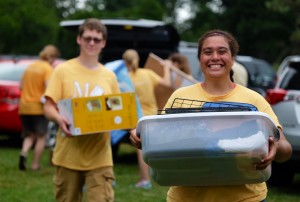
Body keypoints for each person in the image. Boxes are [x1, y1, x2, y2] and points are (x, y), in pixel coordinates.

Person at [130, 29, 293, 201]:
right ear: (200, 59)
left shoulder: (254, 99)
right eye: (208, 52)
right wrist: (142, 136)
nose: (215, 57)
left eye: (222, 51)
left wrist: (276, 148)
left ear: (232, 58)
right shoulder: (179, 97)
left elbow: (285, 149)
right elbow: (162, 140)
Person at [43, 18, 120, 202]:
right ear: (79, 39)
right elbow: (48, 106)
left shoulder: (109, 76)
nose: (91, 43)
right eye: (87, 38)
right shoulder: (62, 70)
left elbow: (116, 108)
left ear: (103, 43)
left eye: (96, 39)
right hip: (68, 154)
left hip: (100, 155)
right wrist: (59, 119)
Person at [122, 49, 171, 189]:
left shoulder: (124, 78)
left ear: (124, 61)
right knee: (154, 147)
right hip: (152, 116)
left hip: (136, 117)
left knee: (141, 148)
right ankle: (158, 176)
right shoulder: (147, 74)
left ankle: (145, 180)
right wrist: (166, 67)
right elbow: (167, 83)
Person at [18, 44, 60, 171]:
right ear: (52, 57)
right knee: (42, 136)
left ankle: (24, 152)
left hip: (24, 107)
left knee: (29, 135)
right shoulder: (47, 69)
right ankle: (35, 164)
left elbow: (20, 86)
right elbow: (49, 89)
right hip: (37, 108)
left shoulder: (30, 66)